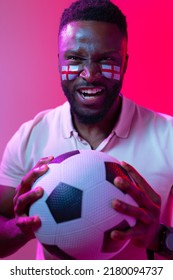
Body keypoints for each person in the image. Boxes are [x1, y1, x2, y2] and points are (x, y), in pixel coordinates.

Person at [0, 0, 173, 260]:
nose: (90, 74)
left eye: (106, 60)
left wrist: (158, 237)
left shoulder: (168, 136)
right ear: (59, 61)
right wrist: (22, 228)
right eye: (75, 58)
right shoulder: (30, 137)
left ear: (124, 63)